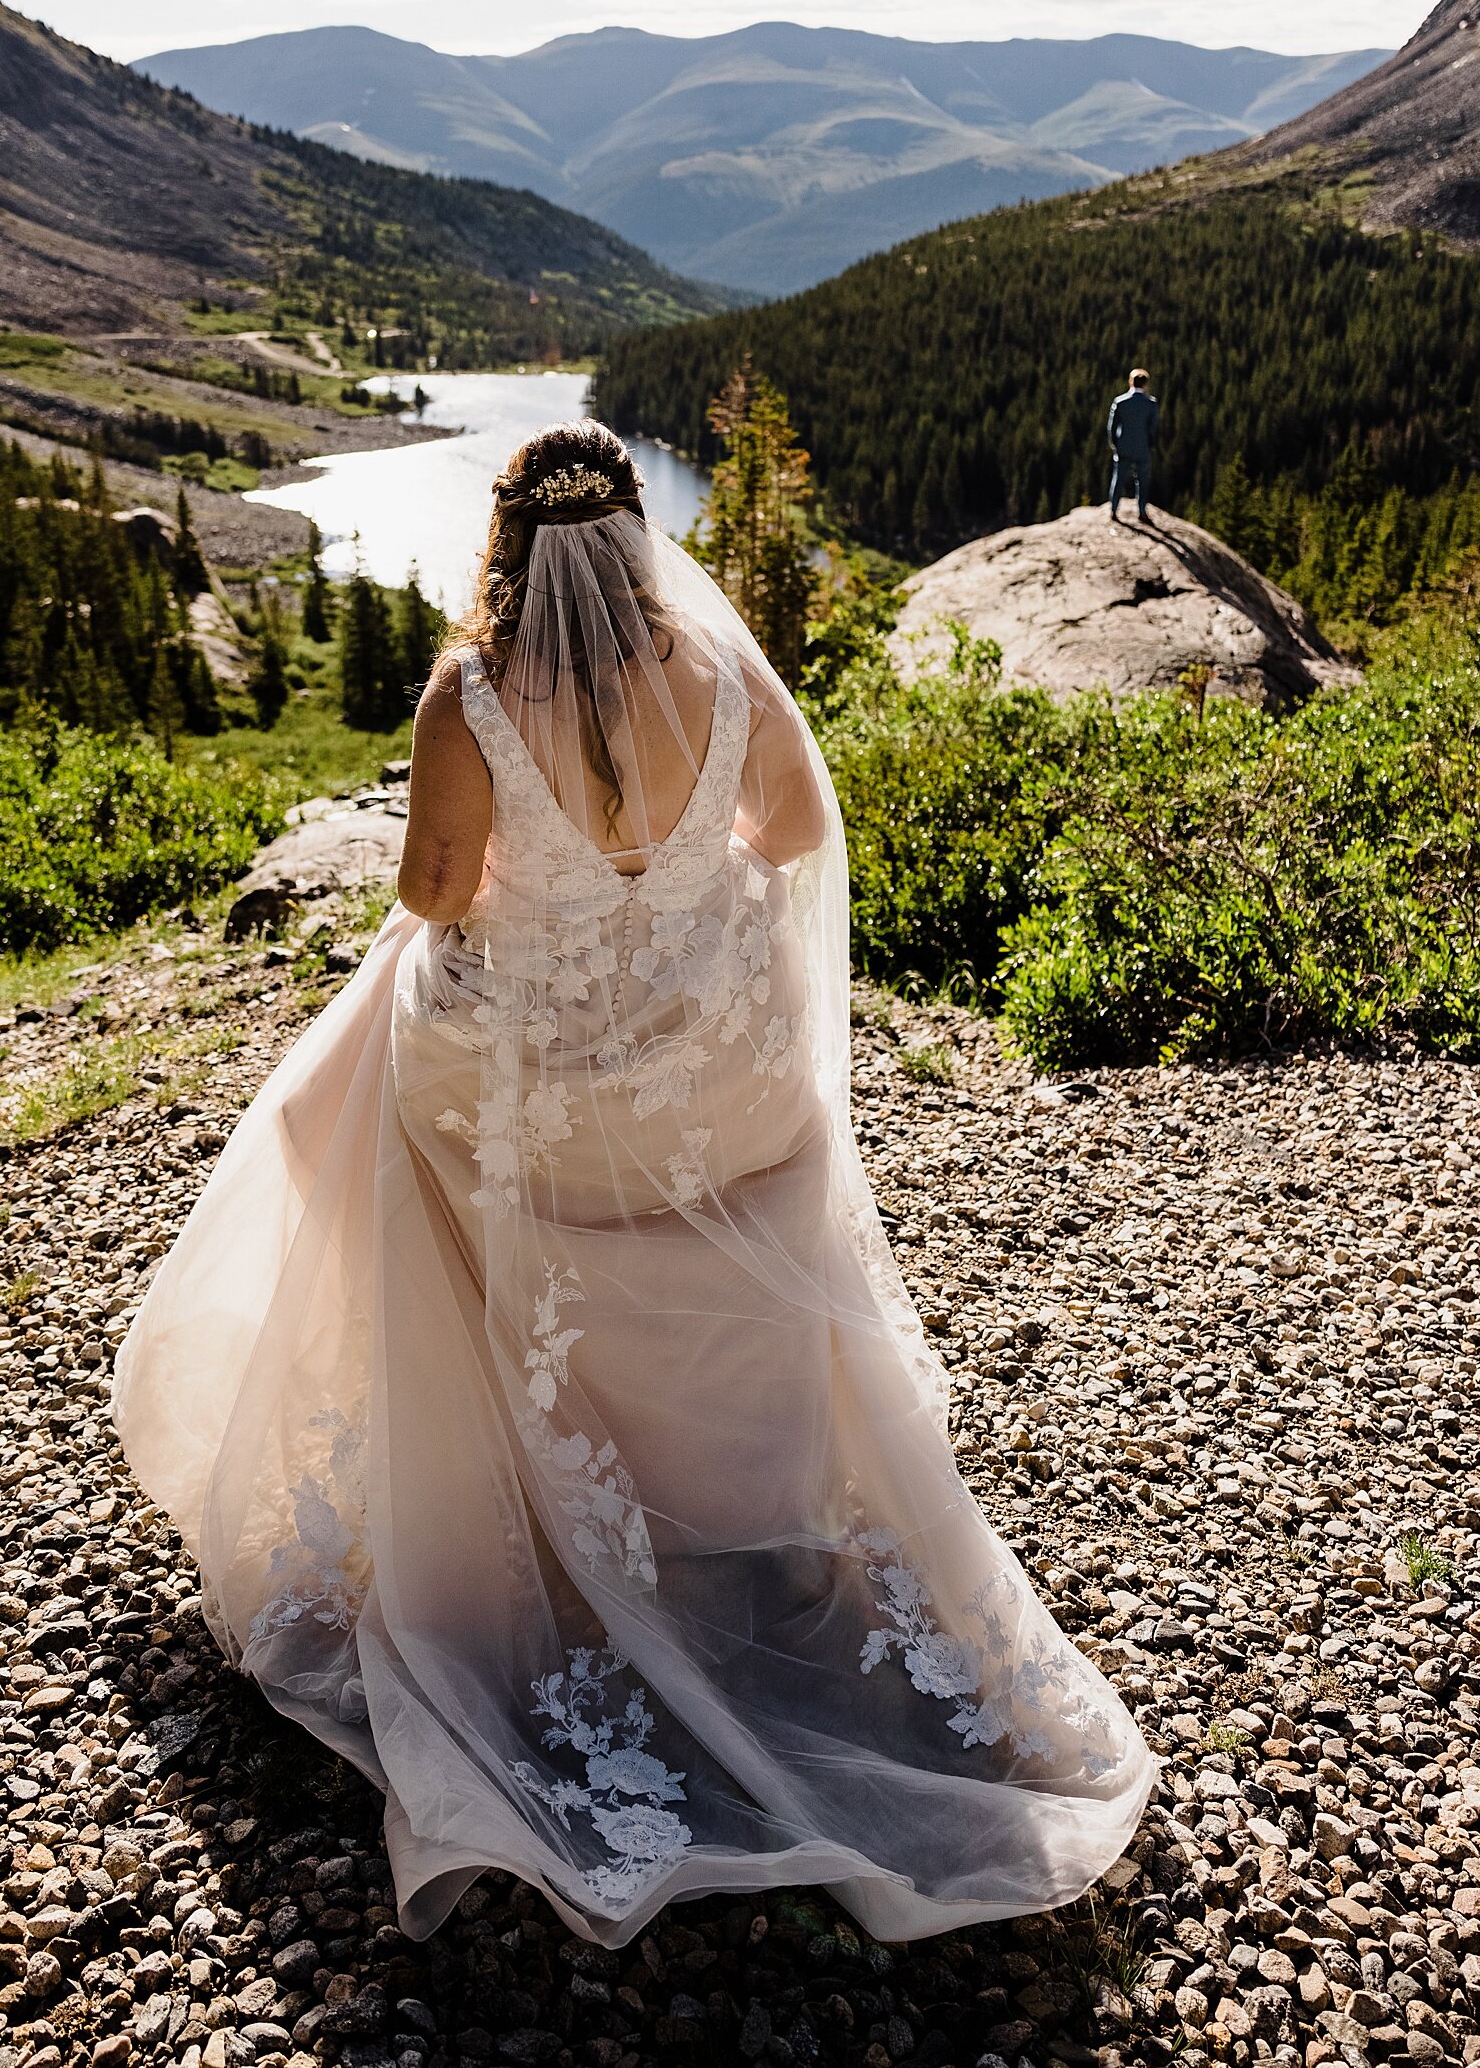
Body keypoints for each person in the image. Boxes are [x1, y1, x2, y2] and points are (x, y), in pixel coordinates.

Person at [113, 422, 1151, 1947]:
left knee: (362, 1077)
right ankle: (732, 1530)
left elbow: (433, 892)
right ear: (634, 541)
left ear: (512, 546)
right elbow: (792, 829)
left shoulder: (469, 692)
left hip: (546, 1112)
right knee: (495, 1043)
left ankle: (484, 1518)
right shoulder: (725, 674)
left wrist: (568, 906)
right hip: (721, 1098)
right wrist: (671, 895)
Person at [1108, 366, 1159, 520]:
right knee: (1143, 481)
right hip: (1143, 448)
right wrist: (1150, 445)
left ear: (1131, 382)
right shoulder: (1151, 404)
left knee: (1119, 480)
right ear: (1145, 384)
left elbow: (1112, 427)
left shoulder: (1120, 402)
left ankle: (1114, 510)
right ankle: (1142, 511)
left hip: (1123, 447)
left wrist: (1115, 444)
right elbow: (1153, 428)